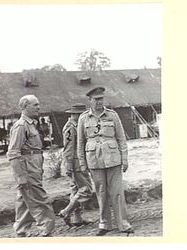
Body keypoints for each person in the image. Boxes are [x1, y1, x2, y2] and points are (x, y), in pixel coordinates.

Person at [77, 87, 135, 236]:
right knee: (101, 193)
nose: (99, 102)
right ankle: (105, 224)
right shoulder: (83, 118)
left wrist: (125, 158)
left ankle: (123, 223)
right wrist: (83, 163)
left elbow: (121, 138)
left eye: (101, 99)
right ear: (90, 100)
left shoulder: (112, 115)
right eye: (96, 99)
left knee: (117, 192)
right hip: (94, 161)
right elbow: (80, 143)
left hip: (113, 159)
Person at [6, 95, 55, 237]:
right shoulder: (21, 126)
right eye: (35, 104)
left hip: (33, 166)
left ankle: (21, 230)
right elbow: (13, 152)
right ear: (25, 106)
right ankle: (47, 228)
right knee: (40, 199)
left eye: (38, 104)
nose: (39, 107)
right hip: (27, 168)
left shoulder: (31, 124)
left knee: (24, 198)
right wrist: (21, 176)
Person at [58, 103, 93, 227]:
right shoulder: (71, 127)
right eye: (80, 114)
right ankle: (66, 211)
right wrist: (69, 164)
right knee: (86, 190)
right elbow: (69, 147)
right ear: (76, 115)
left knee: (76, 190)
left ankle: (77, 217)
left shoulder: (76, 125)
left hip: (75, 161)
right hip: (75, 162)